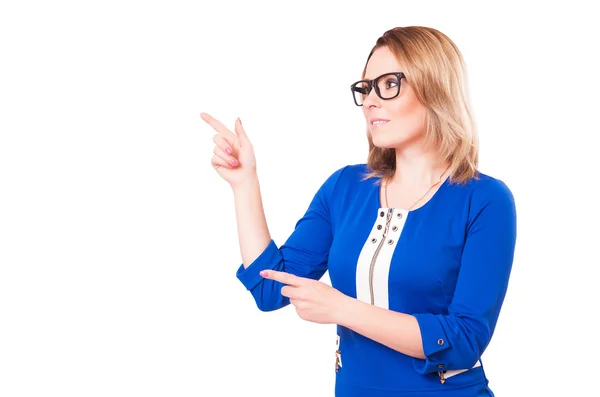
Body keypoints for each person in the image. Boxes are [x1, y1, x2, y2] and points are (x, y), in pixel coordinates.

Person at [201, 26, 517, 397]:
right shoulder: (346, 188)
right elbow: (271, 289)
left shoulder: (485, 200)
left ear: (435, 88)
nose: (370, 100)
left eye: (388, 84)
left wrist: (343, 310)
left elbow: (465, 338)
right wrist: (244, 184)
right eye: (366, 88)